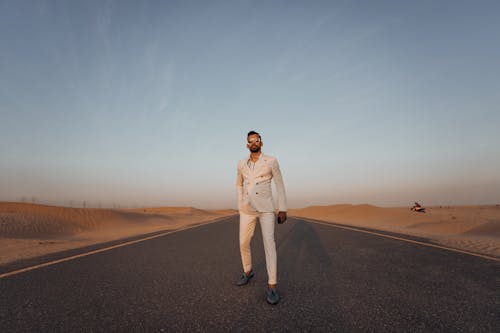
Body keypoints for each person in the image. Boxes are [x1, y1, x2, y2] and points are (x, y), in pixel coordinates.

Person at [236, 130, 287, 305]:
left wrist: (282, 208)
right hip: (247, 209)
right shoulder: (241, 163)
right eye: (250, 141)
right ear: (247, 145)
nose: (253, 143)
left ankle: (272, 285)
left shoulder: (271, 161)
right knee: (243, 242)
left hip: (266, 208)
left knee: (269, 244)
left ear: (261, 143)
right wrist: (240, 203)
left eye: (256, 140)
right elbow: (238, 184)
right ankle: (248, 271)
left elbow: (279, 184)